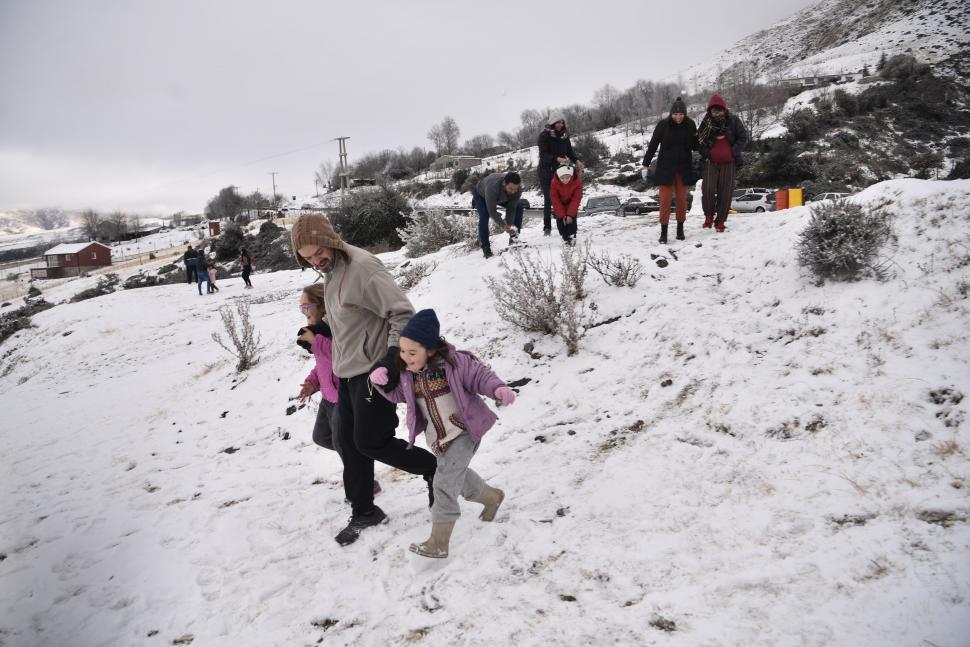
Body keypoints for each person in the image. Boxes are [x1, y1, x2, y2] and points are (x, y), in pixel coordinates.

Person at [290, 213, 437, 546]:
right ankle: (364, 511)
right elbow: (348, 319)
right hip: (347, 372)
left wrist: (391, 358)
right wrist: (319, 331)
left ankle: (435, 470)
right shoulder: (331, 271)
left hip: (374, 370)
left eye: (318, 253)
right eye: (309, 258)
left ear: (329, 239)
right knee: (348, 443)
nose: (316, 261)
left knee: (371, 441)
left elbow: (403, 314)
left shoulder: (363, 268)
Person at [369, 309, 514, 559]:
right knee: (457, 476)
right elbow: (398, 396)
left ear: (431, 350)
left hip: (464, 431)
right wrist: (381, 383)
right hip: (438, 438)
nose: (405, 357)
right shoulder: (408, 374)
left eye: (412, 353)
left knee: (444, 483)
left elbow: (480, 376)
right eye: (402, 351)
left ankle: (438, 542)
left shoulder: (456, 364)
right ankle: (492, 497)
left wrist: (498, 388)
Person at [295, 284, 381, 498]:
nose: (304, 313)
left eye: (307, 307)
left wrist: (316, 342)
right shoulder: (319, 333)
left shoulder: (338, 329)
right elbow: (322, 365)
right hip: (328, 397)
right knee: (322, 437)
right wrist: (311, 384)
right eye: (301, 308)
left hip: (344, 398)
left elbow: (342, 357)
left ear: (323, 306)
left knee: (344, 444)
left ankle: (366, 484)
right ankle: (359, 460)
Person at [641, 97, 698, 244]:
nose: (678, 117)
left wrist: (709, 153)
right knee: (665, 201)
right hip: (666, 169)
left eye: (681, 114)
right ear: (671, 113)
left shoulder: (690, 125)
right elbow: (653, 145)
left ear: (685, 114)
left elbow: (697, 144)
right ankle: (664, 232)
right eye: (675, 114)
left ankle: (680, 229)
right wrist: (645, 164)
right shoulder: (663, 125)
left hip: (683, 168)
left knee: (681, 201)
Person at [696, 94, 748, 233]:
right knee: (708, 190)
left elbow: (743, 137)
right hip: (711, 163)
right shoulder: (706, 122)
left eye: (719, 110)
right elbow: (698, 142)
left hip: (729, 163)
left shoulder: (734, 120)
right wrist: (708, 154)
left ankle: (720, 222)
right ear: (710, 111)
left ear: (724, 109)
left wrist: (733, 152)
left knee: (726, 193)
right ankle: (708, 217)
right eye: (714, 110)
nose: (716, 113)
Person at [537, 113, 580, 237]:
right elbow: (543, 155)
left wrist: (576, 160)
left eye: (562, 122)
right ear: (552, 123)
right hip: (546, 172)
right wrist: (558, 159)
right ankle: (547, 227)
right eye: (558, 122)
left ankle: (563, 223)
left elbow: (570, 151)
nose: (561, 124)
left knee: (562, 198)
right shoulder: (544, 136)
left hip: (560, 173)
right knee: (549, 198)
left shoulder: (564, 136)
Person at [470, 171, 524, 259]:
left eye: (515, 189)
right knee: (484, 215)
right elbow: (492, 211)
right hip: (481, 194)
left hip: (502, 197)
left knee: (519, 207)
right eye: (511, 188)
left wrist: (510, 225)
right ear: (504, 183)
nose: (514, 192)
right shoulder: (492, 187)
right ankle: (486, 247)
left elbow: (511, 208)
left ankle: (514, 239)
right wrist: (504, 225)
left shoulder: (517, 190)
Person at [550, 164, 582, 246]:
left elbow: (576, 199)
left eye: (567, 177)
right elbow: (555, 200)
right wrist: (562, 215)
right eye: (562, 178)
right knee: (561, 225)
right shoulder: (554, 182)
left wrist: (570, 215)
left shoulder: (577, 181)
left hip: (571, 205)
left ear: (571, 175)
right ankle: (565, 241)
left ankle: (572, 241)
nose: (565, 180)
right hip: (560, 205)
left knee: (571, 224)